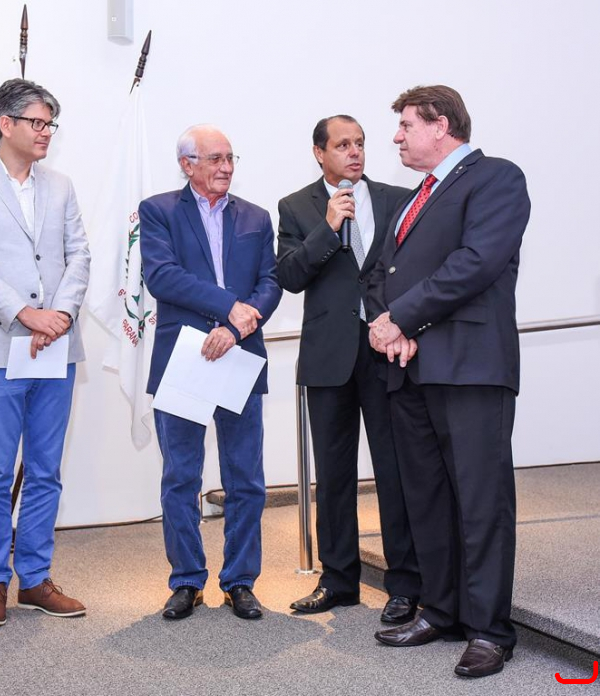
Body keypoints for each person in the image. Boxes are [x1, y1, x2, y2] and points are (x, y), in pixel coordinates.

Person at [368, 85, 530, 678]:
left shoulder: (496, 178)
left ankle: (489, 630)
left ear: (441, 125)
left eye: (407, 125)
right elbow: (381, 272)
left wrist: (403, 318)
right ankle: (441, 610)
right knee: (428, 499)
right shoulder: (416, 197)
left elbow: (476, 262)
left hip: (470, 368)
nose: (397, 137)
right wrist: (389, 325)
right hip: (411, 368)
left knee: (482, 502)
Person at [0, 79, 91, 628]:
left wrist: (61, 316)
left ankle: (35, 578)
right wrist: (26, 314)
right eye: (37, 122)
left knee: (46, 471)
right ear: (6, 124)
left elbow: (79, 255)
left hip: (56, 346)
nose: (46, 132)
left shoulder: (61, 185)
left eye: (51, 124)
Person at [277, 116, 420, 623]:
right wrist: (328, 226)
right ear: (320, 153)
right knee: (334, 476)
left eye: (359, 143)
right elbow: (289, 275)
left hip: (386, 350)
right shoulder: (297, 206)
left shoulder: (397, 199)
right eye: (342, 145)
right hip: (329, 355)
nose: (355, 152)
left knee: (394, 471)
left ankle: (406, 583)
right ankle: (338, 581)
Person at [139, 125, 282, 621]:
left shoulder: (257, 217)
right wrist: (228, 308)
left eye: (230, 158)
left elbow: (270, 282)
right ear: (187, 164)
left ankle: (240, 581)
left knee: (246, 479)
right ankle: (186, 581)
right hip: (185, 356)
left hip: (239, 354)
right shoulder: (158, 211)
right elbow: (162, 277)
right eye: (214, 158)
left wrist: (236, 327)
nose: (226, 167)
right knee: (181, 477)